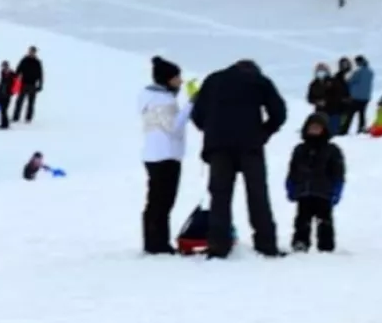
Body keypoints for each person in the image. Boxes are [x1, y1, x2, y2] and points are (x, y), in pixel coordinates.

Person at [190, 59, 288, 259]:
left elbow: (197, 113)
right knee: (257, 195)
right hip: (250, 145)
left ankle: (218, 247)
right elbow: (279, 112)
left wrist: (211, 130)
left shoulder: (213, 80)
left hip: (218, 147)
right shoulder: (259, 81)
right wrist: (264, 132)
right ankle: (266, 245)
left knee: (220, 197)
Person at [139, 56, 195, 255]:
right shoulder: (162, 100)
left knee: (157, 201)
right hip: (165, 156)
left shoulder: (151, 98)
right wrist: (191, 104)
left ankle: (154, 241)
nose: (180, 81)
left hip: (156, 154)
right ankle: (157, 244)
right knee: (162, 202)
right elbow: (173, 127)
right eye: (176, 77)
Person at [286, 114, 346, 253]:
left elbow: (338, 172)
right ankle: (301, 242)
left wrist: (337, 188)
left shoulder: (332, 150)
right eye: (311, 127)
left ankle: (326, 245)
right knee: (302, 220)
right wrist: (291, 185)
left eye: (317, 128)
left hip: (323, 192)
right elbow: (293, 169)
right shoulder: (300, 149)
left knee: (324, 220)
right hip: (304, 191)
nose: (314, 130)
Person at [13, 46, 43, 123]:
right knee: (19, 102)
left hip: (33, 85)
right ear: (28, 51)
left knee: (31, 103)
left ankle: (28, 118)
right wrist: (14, 80)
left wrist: (40, 85)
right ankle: (16, 117)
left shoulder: (38, 62)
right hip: (23, 84)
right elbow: (18, 70)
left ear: (35, 53)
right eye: (30, 51)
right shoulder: (24, 60)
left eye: (33, 52)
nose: (31, 53)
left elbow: (40, 74)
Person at [345, 56, 374, 133]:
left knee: (350, 114)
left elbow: (350, 81)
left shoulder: (358, 72)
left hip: (356, 97)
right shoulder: (370, 72)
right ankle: (361, 129)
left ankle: (344, 130)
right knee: (362, 114)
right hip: (366, 97)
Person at [0, 60, 16, 129]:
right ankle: (4, 123)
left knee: (4, 109)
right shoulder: (2, 73)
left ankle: (5, 124)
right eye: (3, 66)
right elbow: (0, 84)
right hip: (0, 94)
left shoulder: (13, 74)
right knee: (1, 109)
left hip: (8, 94)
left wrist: (12, 92)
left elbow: (16, 84)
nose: (4, 68)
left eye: (6, 66)